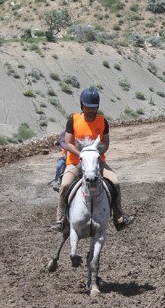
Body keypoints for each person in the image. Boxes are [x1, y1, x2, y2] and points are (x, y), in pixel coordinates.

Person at [50, 87, 134, 233]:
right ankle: (60, 220)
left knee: (115, 181)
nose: (90, 111)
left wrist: (95, 154)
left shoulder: (103, 122)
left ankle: (119, 218)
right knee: (64, 185)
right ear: (82, 106)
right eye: (88, 108)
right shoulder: (73, 120)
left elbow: (106, 143)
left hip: (97, 162)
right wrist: (82, 155)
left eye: (93, 108)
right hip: (76, 162)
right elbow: (69, 143)